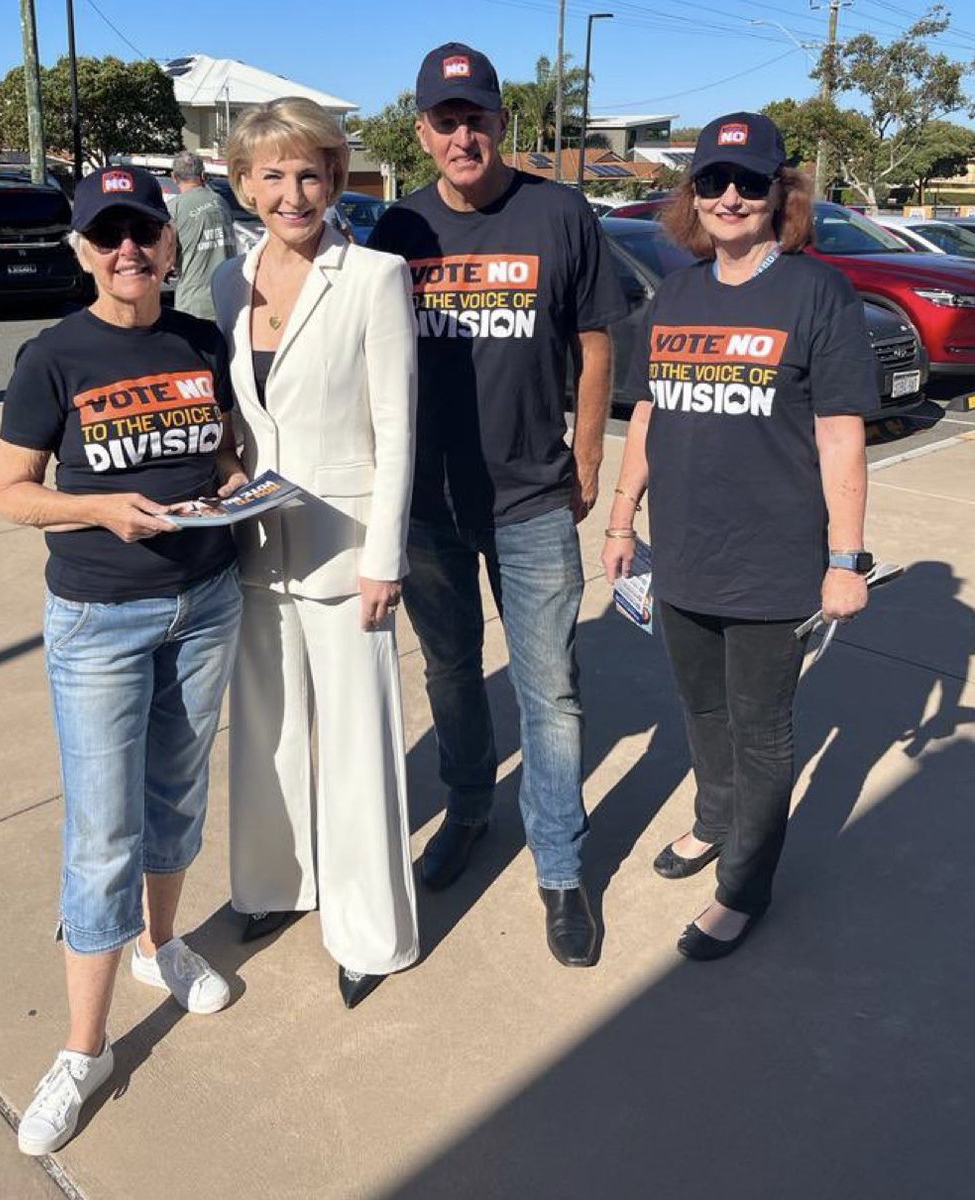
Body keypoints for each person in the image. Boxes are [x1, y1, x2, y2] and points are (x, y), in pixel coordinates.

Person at [0, 165, 245, 1154]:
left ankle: (163, 946)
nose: (130, 248)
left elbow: (218, 445)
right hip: (100, 617)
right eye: (110, 234)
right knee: (103, 831)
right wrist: (96, 505)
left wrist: (238, 485)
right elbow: (11, 491)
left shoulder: (200, 342)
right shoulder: (52, 355)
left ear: (171, 243)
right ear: (84, 251)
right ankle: (85, 1049)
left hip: (207, 597)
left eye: (145, 229)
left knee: (178, 797)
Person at [369, 43, 627, 968]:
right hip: (427, 502)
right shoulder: (396, 228)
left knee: (549, 691)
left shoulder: (559, 211)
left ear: (501, 124)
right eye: (445, 120)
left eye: (476, 116)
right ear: (423, 132)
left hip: (529, 495)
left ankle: (560, 870)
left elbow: (596, 339)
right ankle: (469, 810)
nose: (462, 133)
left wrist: (589, 450)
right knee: (447, 670)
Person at [601, 112, 874, 960]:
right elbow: (646, 411)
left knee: (761, 729)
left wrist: (843, 559)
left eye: (748, 182)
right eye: (712, 181)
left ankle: (742, 887)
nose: (728, 196)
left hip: (775, 558)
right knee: (701, 706)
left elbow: (839, 435)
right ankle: (712, 821)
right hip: (683, 551)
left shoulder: (814, 292)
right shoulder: (676, 292)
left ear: (777, 194)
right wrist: (620, 517)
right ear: (691, 196)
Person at [211, 97, 419, 1009]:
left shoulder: (373, 275)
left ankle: (369, 927)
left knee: (359, 741)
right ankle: (272, 885)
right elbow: (233, 414)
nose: (292, 192)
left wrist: (386, 556)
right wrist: (220, 468)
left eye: (309, 173)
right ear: (243, 183)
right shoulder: (227, 280)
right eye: (271, 175)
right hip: (255, 542)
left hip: (347, 549)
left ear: (335, 179)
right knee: (265, 730)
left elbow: (397, 426)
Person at [170, 149, 237, 319]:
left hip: (194, 304)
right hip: (228, 299)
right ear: (203, 175)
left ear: (174, 177)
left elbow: (167, 259)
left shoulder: (174, 208)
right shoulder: (221, 202)